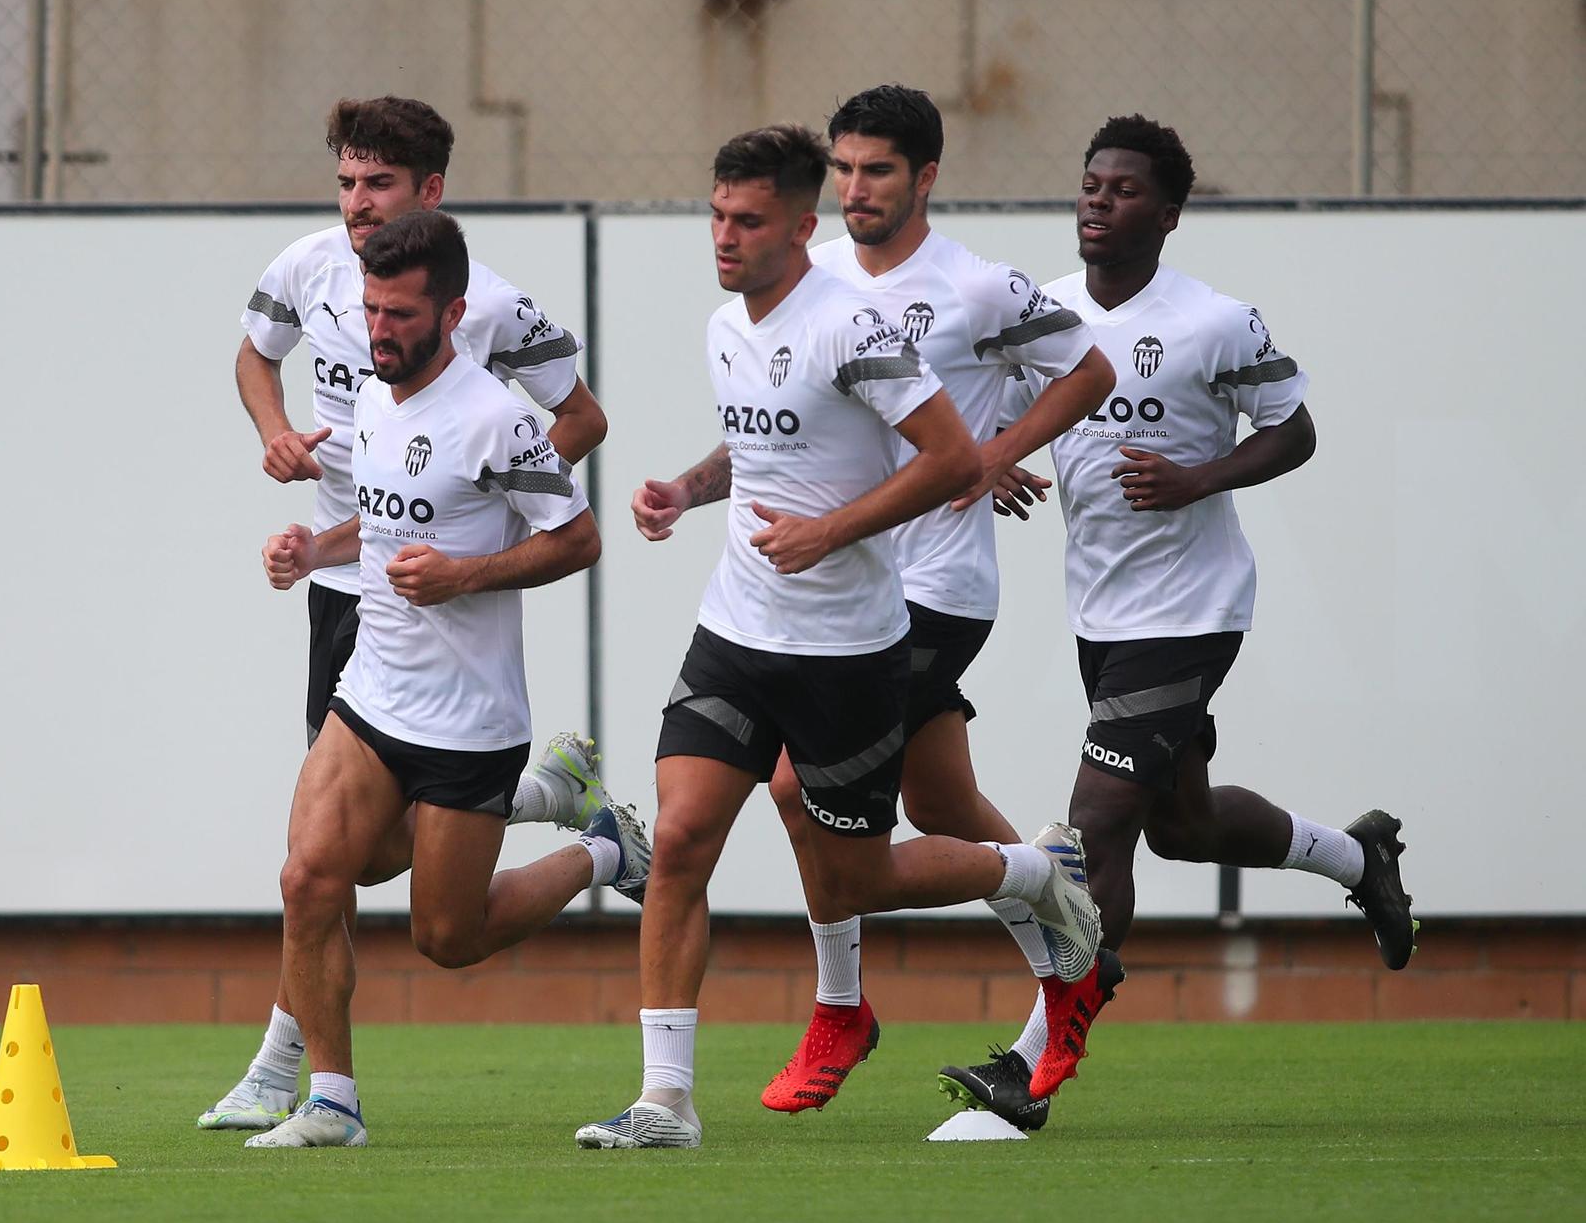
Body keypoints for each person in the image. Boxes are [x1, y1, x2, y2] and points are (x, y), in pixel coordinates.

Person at [576, 124, 1102, 1151]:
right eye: (718, 215)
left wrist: (832, 529)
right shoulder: (726, 324)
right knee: (680, 838)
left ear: (798, 225)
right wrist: (685, 488)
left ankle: (1035, 875)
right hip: (734, 626)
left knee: (856, 873)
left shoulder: (856, 325)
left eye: (749, 219)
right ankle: (666, 1102)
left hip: (848, 645)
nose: (725, 236)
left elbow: (952, 459)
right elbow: (768, 440)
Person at [938, 114, 1415, 1131]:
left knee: (1097, 822)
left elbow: (1295, 428)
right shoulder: (1047, 313)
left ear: (1167, 211)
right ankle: (1358, 856)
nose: (1096, 201)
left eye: (1119, 188)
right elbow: (1002, 404)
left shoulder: (1213, 320)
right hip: (1101, 607)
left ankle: (1035, 1058)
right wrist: (993, 456)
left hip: (1192, 609)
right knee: (1181, 823)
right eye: (1088, 184)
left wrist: (1201, 474)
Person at [201, 96, 609, 1132]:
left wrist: (475, 548)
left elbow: (576, 506)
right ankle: (317, 1089)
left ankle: (595, 846)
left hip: (466, 703)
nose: (355, 206)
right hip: (371, 667)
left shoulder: (492, 400)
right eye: (345, 182)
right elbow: (377, 512)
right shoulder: (369, 384)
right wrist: (314, 541)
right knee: (313, 870)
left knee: (443, 930)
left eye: (376, 184)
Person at [758, 84, 1117, 1113]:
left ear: (926, 176)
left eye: (878, 169)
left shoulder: (975, 286)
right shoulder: (814, 277)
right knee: (941, 804)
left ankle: (840, 1006)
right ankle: (1069, 962)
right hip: (839, 588)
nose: (856, 187)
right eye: (844, 168)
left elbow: (1084, 371)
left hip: (934, 589)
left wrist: (992, 451)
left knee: (793, 787)